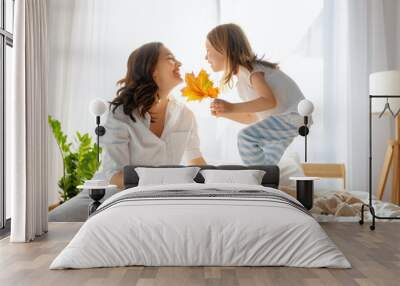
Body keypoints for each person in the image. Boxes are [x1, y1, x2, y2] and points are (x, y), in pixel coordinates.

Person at [96, 42, 206, 189]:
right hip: (127, 198)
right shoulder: (121, 115)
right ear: (152, 69)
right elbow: (114, 176)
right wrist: (168, 182)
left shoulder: (185, 115)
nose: (179, 63)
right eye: (170, 58)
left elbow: (195, 160)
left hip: (167, 197)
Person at [206, 23, 309, 165]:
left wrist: (231, 107)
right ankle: (265, 182)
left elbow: (269, 101)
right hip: (290, 119)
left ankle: (256, 178)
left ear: (224, 50)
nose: (206, 57)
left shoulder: (253, 71)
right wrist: (225, 113)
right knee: (267, 163)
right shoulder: (242, 81)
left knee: (245, 138)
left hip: (292, 116)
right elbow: (252, 117)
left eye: (208, 50)